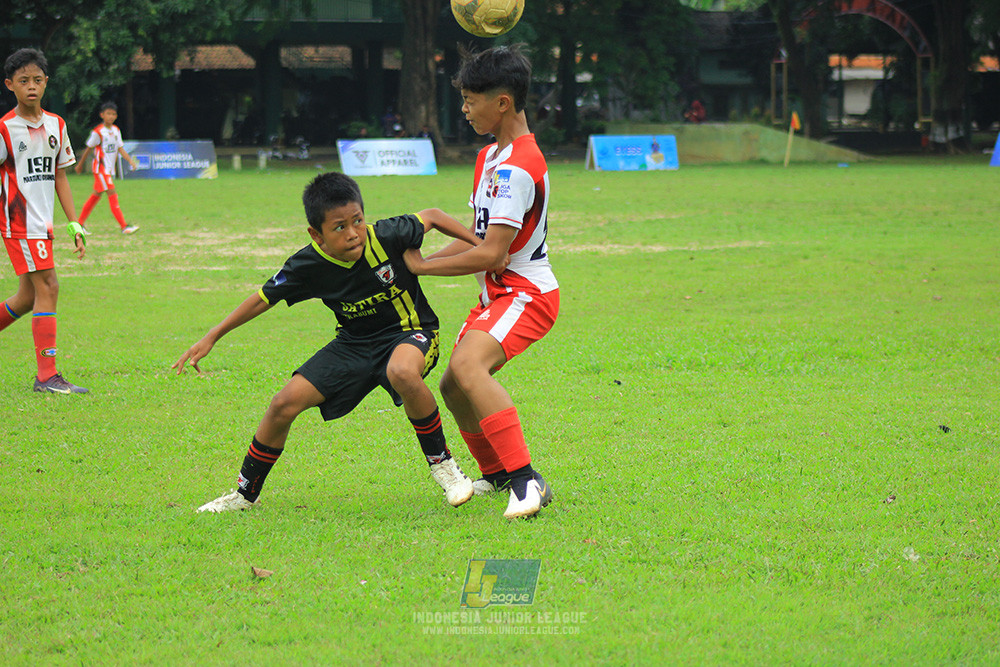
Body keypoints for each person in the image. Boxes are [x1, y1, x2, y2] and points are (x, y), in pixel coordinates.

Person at [173, 172, 481, 512]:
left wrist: (479, 245)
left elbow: (433, 216)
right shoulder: (307, 264)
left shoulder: (387, 235)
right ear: (316, 235)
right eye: (339, 227)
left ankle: (444, 467)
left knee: (402, 371)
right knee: (283, 404)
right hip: (353, 344)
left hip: (411, 332)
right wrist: (213, 336)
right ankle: (245, 495)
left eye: (357, 221)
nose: (353, 233)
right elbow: (263, 298)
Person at [403, 45, 558, 520]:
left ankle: (526, 481)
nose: (465, 109)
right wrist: (419, 263)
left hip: (526, 294)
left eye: (471, 100)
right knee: (453, 386)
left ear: (503, 102)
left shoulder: (518, 165)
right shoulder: (489, 156)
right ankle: (496, 474)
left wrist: (421, 268)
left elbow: (493, 254)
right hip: (498, 294)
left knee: (470, 367)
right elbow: (477, 236)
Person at [0, 48, 88, 394]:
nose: (31, 86)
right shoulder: (6, 128)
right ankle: (46, 376)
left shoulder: (56, 125)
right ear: (10, 85)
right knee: (49, 286)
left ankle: (47, 376)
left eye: (37, 80)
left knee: (26, 297)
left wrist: (74, 223)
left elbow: (60, 175)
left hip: (43, 225)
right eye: (23, 81)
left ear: (46, 82)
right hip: (19, 223)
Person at [74, 101, 140, 234]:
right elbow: (89, 148)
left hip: (108, 170)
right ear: (102, 115)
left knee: (96, 195)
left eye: (113, 114)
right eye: (108, 113)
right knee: (112, 193)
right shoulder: (98, 132)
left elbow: (120, 148)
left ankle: (79, 224)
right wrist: (80, 164)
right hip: (100, 169)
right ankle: (124, 226)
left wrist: (130, 161)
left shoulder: (116, 130)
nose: (111, 116)